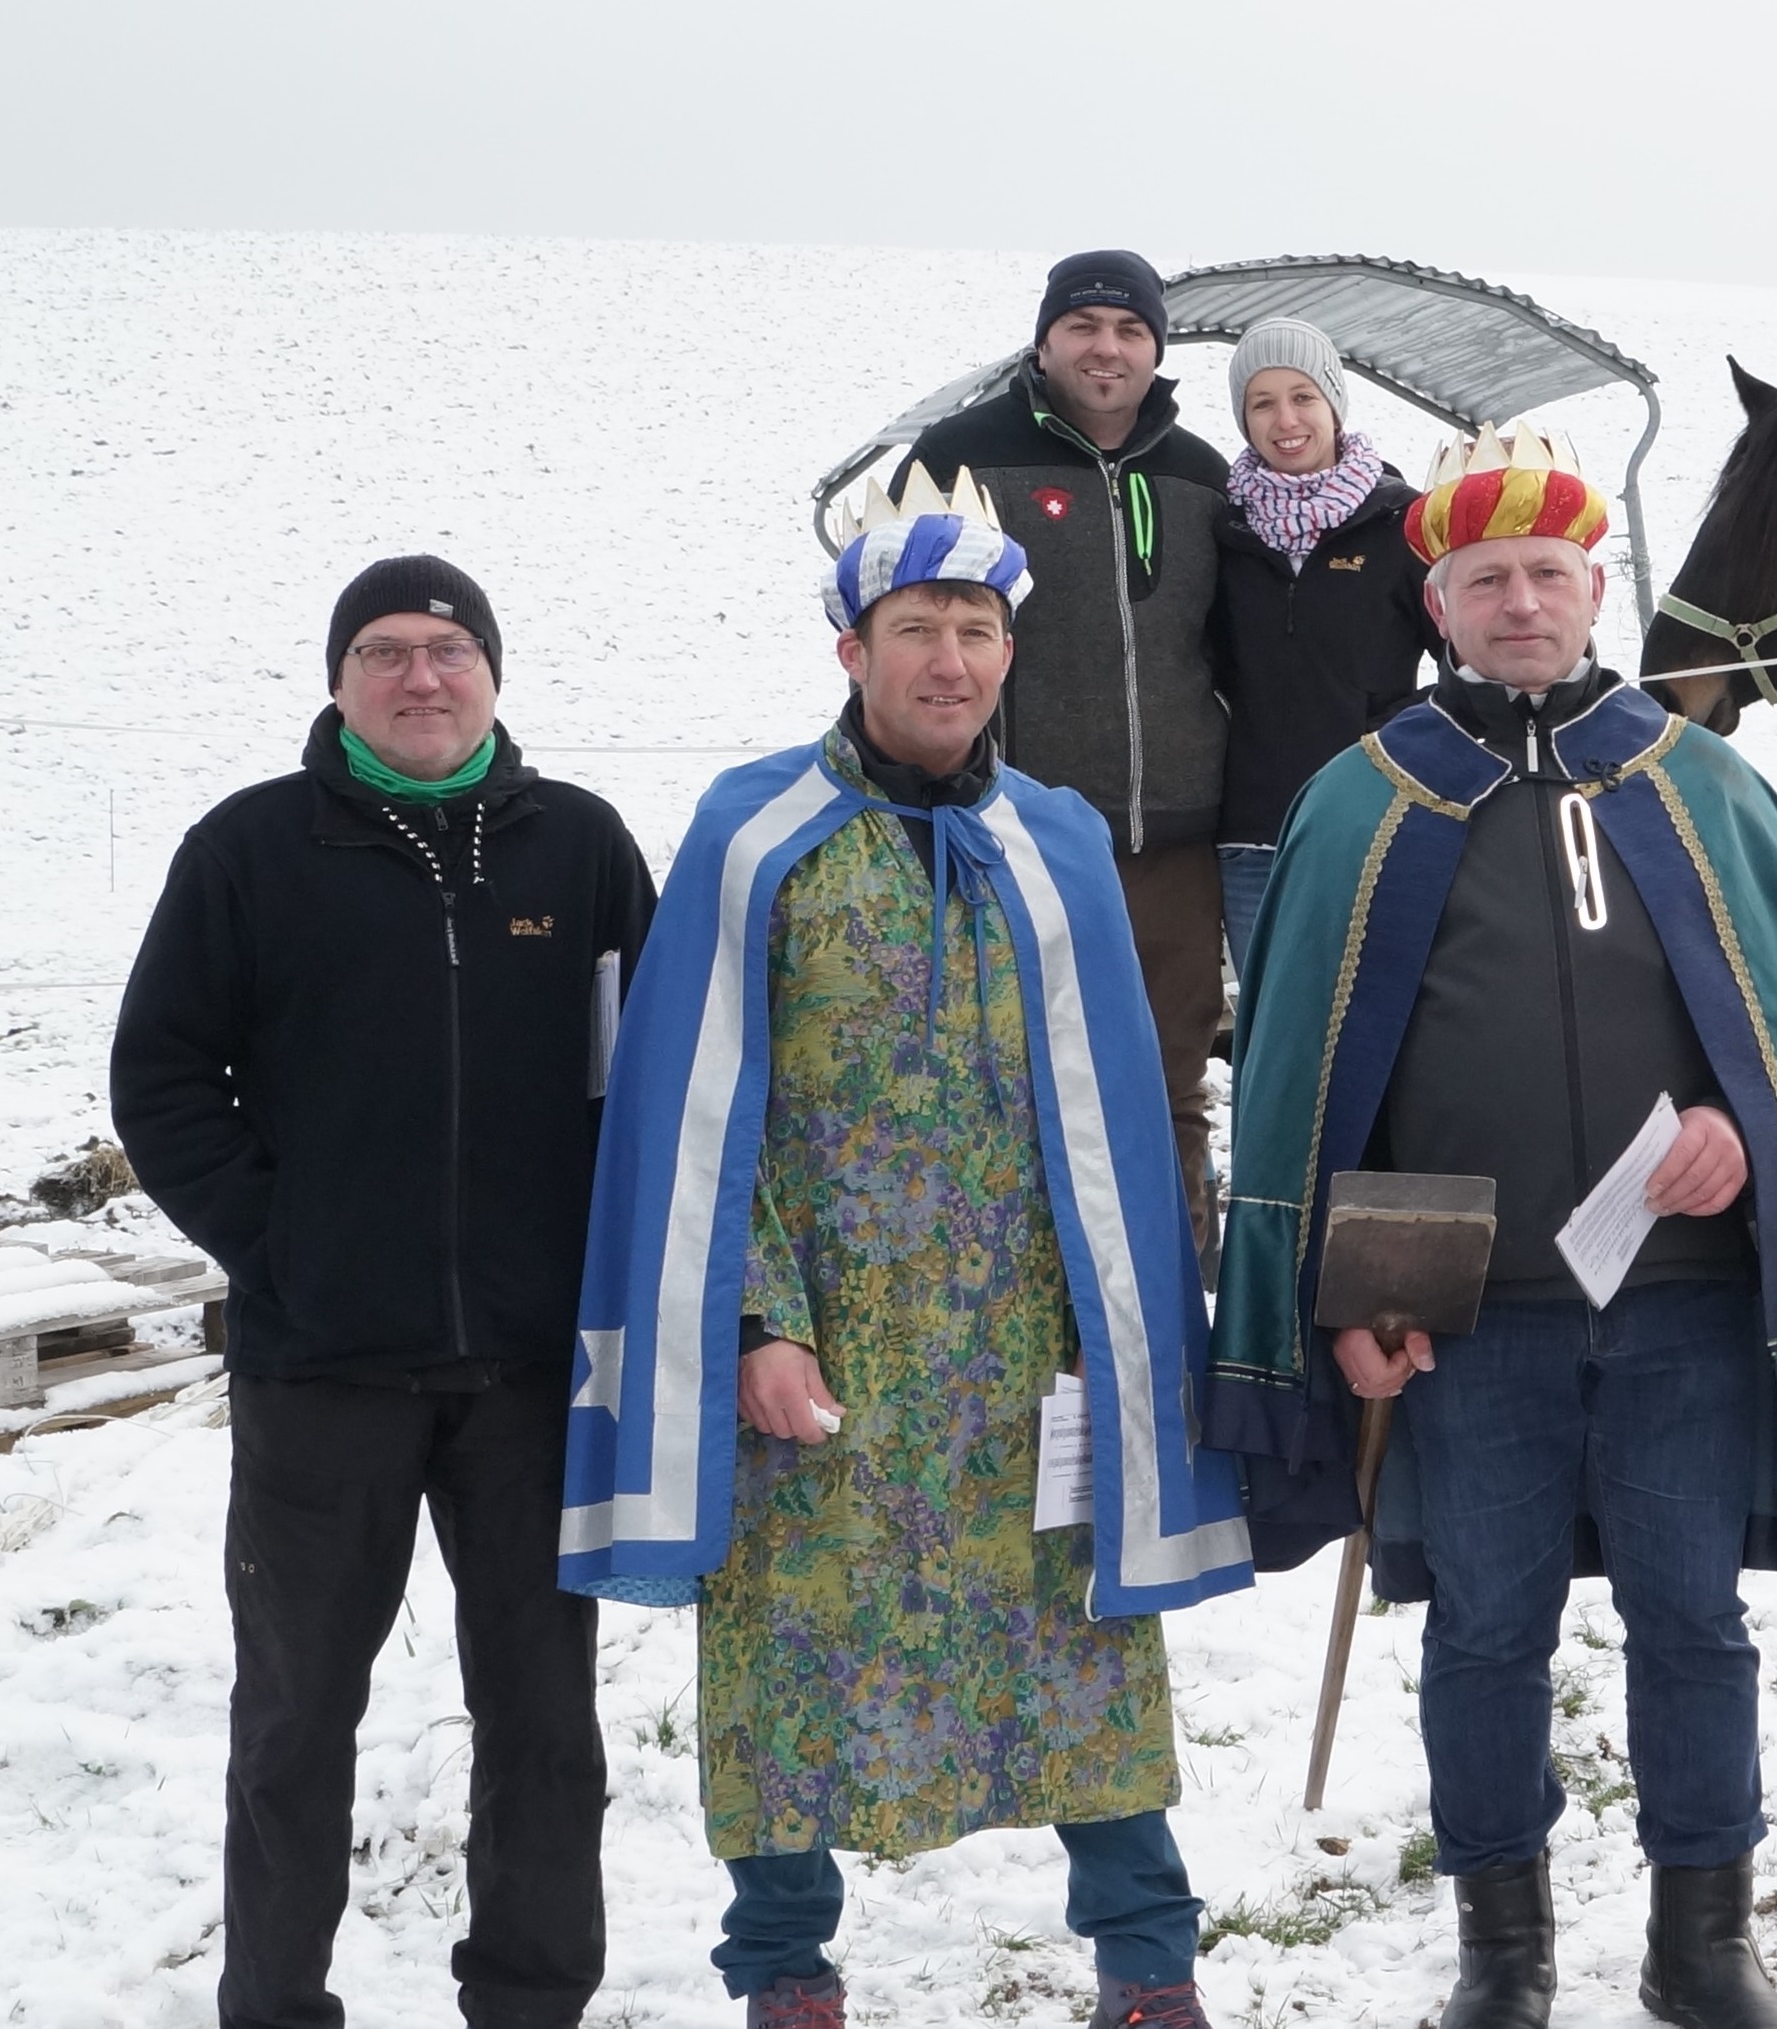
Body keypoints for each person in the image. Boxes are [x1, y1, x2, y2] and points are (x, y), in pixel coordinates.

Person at [1208, 424, 1777, 2029]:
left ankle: (1702, 1941)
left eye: (1548, 574)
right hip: (1471, 1323)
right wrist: (1354, 1293)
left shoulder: (1700, 781)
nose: (1520, 603)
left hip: (1683, 1307)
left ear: (1597, 588)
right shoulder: (1363, 799)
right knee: (1484, 1630)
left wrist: (1744, 1127)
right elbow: (1314, 1085)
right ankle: (1503, 1949)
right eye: (1486, 581)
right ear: (1438, 604)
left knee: (1693, 1621)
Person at [557, 467, 1257, 2029]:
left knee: (1088, 1650)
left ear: (1010, 652)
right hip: (830, 1351)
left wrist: (1118, 1330)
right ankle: (784, 1969)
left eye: (977, 630)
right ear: (852, 650)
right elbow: (696, 1105)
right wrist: (756, 1321)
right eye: (917, 628)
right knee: (786, 1653)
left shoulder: (1059, 840)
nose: (950, 659)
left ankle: (1148, 1964)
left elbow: (1119, 1107)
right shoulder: (756, 834)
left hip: (1027, 1347)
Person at [113, 555, 649, 2029]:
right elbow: (162, 1076)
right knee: (296, 1719)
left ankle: (531, 2001)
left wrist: (606, 1267)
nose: (422, 676)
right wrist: (281, 1243)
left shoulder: (581, 849)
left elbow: (651, 1080)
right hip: (323, 1371)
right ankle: (275, 2002)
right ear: (339, 681)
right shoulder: (251, 849)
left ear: (494, 673)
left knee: (545, 1722)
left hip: (532, 1373)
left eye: (449, 648)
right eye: (385, 651)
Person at [908, 249, 1237, 1237]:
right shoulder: (960, 455)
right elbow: (906, 629)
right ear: (1044, 341)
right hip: (1015, 835)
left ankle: (1175, 1300)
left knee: (1170, 1084)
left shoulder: (1200, 473)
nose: (1107, 348)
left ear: (1156, 350)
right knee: (1007, 1078)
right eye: (1083, 325)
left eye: (1131, 330)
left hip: (1176, 842)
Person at [1206, 316, 1436, 981]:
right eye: (1262, 403)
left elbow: (1466, 660)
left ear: (1334, 403)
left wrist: (1388, 729)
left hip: (1373, 822)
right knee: (1275, 1015)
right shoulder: (1223, 528)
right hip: (1253, 839)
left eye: (1303, 396)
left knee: (1378, 1011)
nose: (1286, 420)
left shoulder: (1402, 521)